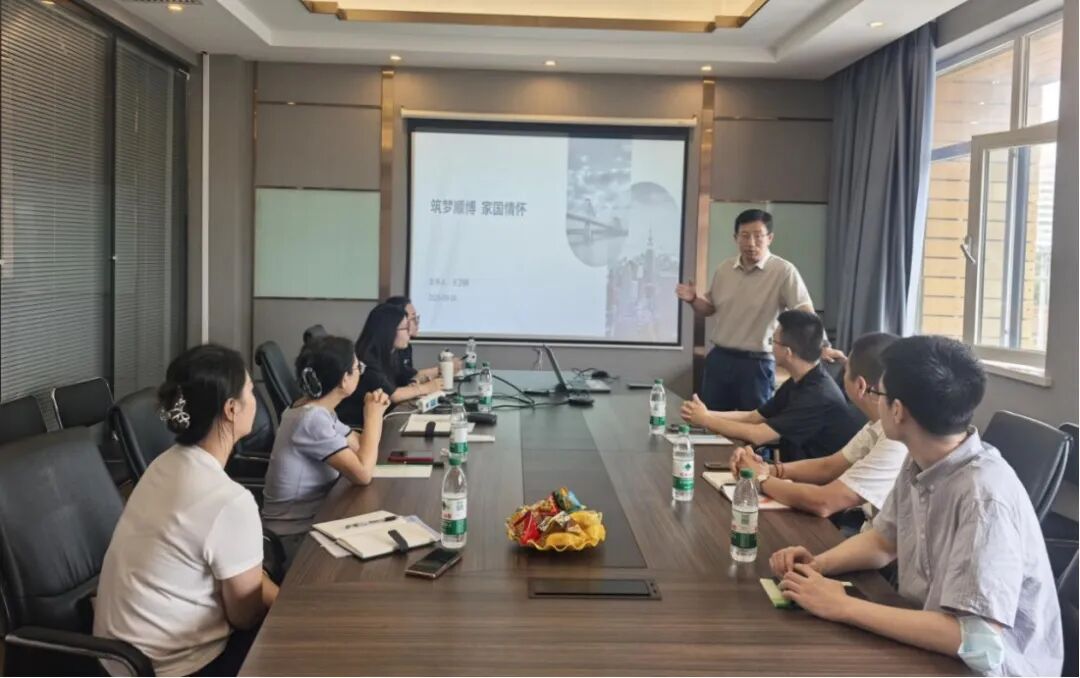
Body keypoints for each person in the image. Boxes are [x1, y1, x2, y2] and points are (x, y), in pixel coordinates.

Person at [769, 336, 1062, 676]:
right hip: (932, 642)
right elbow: (884, 540)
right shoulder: (921, 459)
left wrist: (843, 606)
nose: (874, 403)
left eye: (879, 394)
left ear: (897, 410)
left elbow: (978, 642)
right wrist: (817, 566)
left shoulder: (984, 497)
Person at [94, 344, 278, 677]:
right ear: (231, 409)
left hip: (117, 659)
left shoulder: (162, 464)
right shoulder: (229, 501)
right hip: (175, 667)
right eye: (251, 392)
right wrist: (267, 585)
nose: (255, 400)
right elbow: (245, 616)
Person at [675, 209, 845, 412]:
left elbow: (805, 311)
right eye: (745, 236)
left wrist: (821, 345)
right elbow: (710, 308)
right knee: (711, 419)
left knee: (756, 420)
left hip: (757, 363)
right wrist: (693, 299)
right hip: (720, 358)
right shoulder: (724, 269)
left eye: (758, 236)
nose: (751, 243)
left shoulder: (784, 271)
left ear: (770, 238)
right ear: (735, 238)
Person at [730, 332, 905, 528]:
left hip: (868, 534)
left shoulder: (896, 441)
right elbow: (828, 466)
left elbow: (824, 502)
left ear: (860, 386)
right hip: (868, 530)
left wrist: (760, 478)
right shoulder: (877, 424)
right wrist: (768, 470)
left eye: (845, 370)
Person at [262, 336, 391, 557]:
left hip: (319, 519)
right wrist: (373, 415)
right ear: (344, 380)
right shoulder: (311, 420)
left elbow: (359, 445)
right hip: (293, 539)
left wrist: (373, 415)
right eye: (357, 367)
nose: (361, 371)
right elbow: (363, 474)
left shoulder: (316, 409)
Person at [680, 309, 863, 461]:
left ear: (788, 352)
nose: (770, 347)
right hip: (793, 473)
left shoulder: (817, 395)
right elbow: (754, 416)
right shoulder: (801, 380)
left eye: (773, 342)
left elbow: (758, 434)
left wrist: (706, 420)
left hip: (815, 484)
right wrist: (705, 413)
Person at [337, 303, 440, 427]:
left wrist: (415, 383)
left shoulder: (391, 353)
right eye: (405, 328)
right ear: (388, 331)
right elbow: (393, 395)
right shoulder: (367, 358)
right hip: (357, 427)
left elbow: (404, 379)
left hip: (380, 421)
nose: (409, 332)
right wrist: (427, 388)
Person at [384, 295, 460, 383]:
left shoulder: (405, 346)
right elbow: (397, 387)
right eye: (413, 318)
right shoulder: (385, 351)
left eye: (417, 318)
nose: (417, 322)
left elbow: (410, 377)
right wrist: (442, 369)